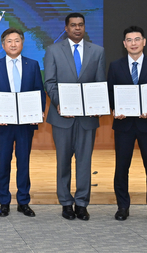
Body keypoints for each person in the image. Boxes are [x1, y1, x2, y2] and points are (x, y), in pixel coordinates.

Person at [44, 12, 105, 221]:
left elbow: (99, 83)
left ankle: (81, 203)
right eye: (73, 25)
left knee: (84, 162)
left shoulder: (97, 51)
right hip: (62, 116)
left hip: (87, 118)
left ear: (84, 27)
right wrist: (60, 102)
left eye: (80, 25)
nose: (77, 28)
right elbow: (49, 82)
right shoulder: (53, 50)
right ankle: (66, 203)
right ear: (66, 28)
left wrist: (98, 104)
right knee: (63, 161)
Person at [107, 26, 147, 223]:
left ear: (144, 42)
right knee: (121, 167)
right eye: (129, 40)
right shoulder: (115, 66)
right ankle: (123, 206)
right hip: (124, 125)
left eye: (137, 39)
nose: (133, 43)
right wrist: (115, 109)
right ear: (124, 44)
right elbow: (110, 93)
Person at [0, 28, 46, 218]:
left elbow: (39, 91)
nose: (13, 44)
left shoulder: (33, 65)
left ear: (22, 43)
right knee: (4, 162)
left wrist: (38, 111)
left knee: (24, 162)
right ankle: (4, 202)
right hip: (4, 124)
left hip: (25, 124)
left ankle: (23, 201)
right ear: (3, 45)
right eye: (9, 41)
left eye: (17, 41)